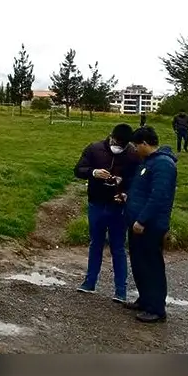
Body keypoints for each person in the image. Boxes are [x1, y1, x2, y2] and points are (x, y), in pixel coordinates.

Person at [72, 123, 139, 302]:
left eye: (124, 144)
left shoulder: (133, 154)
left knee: (118, 248)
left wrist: (126, 193)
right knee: (96, 244)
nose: (119, 146)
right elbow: (78, 169)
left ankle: (120, 290)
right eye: (118, 142)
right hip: (96, 203)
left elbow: (137, 181)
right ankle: (90, 282)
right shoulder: (94, 149)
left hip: (118, 208)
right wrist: (93, 172)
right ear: (111, 137)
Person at [122, 126, 178, 323]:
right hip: (137, 222)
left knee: (151, 265)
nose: (135, 150)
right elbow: (142, 191)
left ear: (145, 143)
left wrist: (142, 219)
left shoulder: (163, 164)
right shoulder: (148, 162)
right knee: (139, 263)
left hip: (149, 225)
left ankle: (156, 308)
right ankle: (145, 299)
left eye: (136, 146)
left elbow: (158, 197)